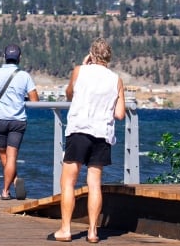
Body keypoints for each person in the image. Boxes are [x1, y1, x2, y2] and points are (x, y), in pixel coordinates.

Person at [49, 38, 126, 244]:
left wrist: (84, 66)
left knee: (68, 181)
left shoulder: (80, 71)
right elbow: (120, 114)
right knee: (94, 183)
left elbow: (69, 95)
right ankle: (92, 232)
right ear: (109, 57)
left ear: (91, 55)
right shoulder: (116, 79)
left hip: (79, 131)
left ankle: (65, 229)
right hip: (102, 134)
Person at [0, 44, 39, 200]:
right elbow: (35, 100)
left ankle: (11, 185)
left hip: (0, 119)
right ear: (19, 58)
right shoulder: (24, 76)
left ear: (4, 56)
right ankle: (6, 189)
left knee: (3, 155)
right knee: (12, 156)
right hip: (18, 120)